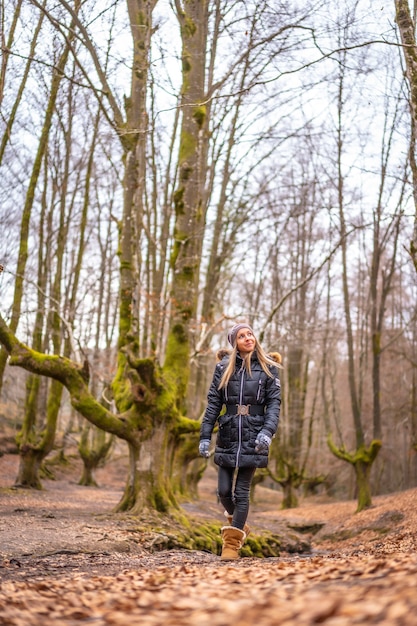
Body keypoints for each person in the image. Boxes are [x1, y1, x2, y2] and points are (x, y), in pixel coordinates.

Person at [199, 322, 282, 561]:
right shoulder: (223, 368)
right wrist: (205, 435)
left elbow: (274, 405)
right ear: (234, 342)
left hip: (255, 434)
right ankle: (240, 524)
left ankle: (231, 546)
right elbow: (214, 404)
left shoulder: (269, 369)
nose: (248, 338)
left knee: (242, 492)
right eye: (242, 336)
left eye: (250, 334)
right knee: (224, 492)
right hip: (227, 432)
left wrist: (267, 431)